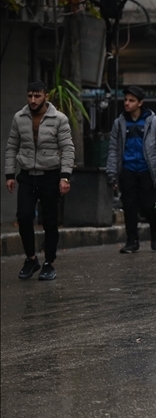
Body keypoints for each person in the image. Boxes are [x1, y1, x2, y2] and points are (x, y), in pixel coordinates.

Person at [5, 81, 74, 281]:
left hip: (50, 175)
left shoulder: (59, 118)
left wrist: (65, 176)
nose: (33, 100)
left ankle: (49, 263)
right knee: (24, 217)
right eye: (30, 96)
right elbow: (11, 147)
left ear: (45, 96)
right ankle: (31, 258)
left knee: (50, 222)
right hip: (26, 175)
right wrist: (10, 175)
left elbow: (68, 148)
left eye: (37, 96)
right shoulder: (19, 117)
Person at [106, 86, 156, 253]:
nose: (127, 103)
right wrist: (111, 173)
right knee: (129, 207)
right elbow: (113, 149)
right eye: (126, 100)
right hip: (127, 169)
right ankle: (132, 241)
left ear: (140, 103)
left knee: (148, 205)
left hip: (147, 170)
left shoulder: (153, 121)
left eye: (131, 100)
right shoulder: (119, 123)